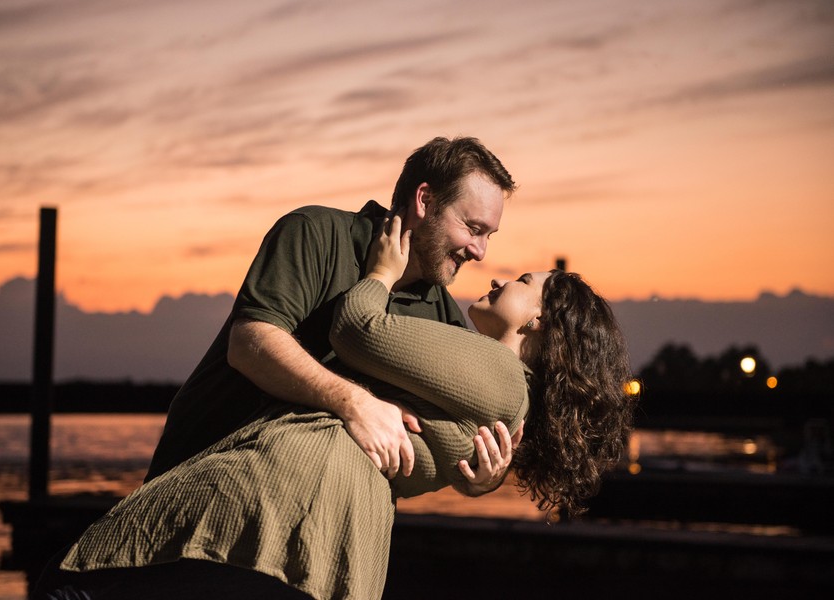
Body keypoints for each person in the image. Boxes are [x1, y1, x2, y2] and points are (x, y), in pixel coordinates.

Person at [33, 215, 635, 600]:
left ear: (537, 322)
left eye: (524, 281)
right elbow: (418, 453)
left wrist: (381, 272)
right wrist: (477, 482)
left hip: (283, 482)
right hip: (332, 533)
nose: (501, 277)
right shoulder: (492, 401)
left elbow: (357, 328)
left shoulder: (499, 376)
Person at [144, 136, 519, 495]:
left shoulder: (443, 315)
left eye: (489, 235)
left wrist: (479, 478)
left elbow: (435, 433)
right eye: (473, 229)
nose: (481, 251)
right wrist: (355, 404)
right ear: (425, 200)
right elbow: (248, 343)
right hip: (196, 477)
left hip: (305, 509)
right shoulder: (315, 233)